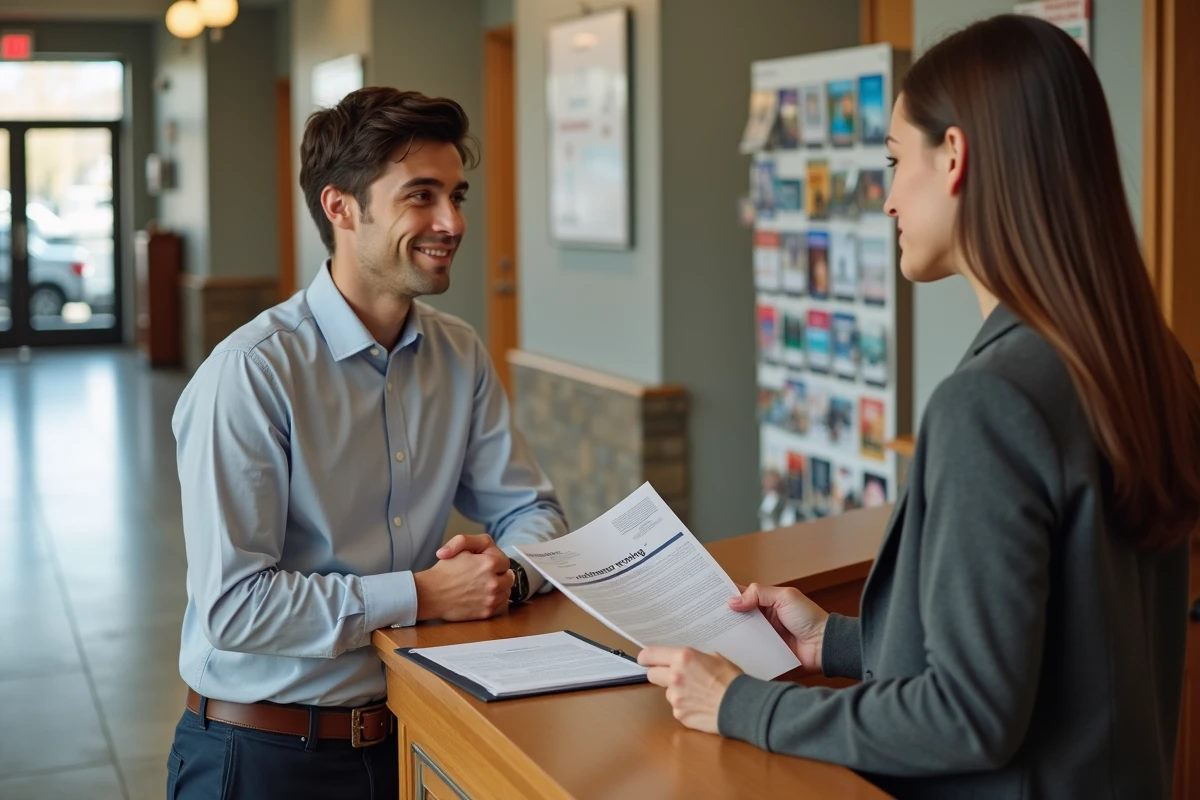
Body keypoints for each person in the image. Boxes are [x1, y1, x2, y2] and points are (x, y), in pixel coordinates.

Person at [639, 15, 1200, 799]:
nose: (888, 198)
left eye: (897, 160)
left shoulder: (992, 403)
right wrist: (830, 643)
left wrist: (741, 703)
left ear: (957, 156)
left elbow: (966, 715)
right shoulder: (1153, 364)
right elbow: (1048, 650)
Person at [166, 88, 568, 799]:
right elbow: (233, 607)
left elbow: (532, 509)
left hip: (408, 738)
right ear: (341, 207)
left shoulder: (460, 353)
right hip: (261, 754)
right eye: (421, 196)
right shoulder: (251, 374)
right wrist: (420, 594)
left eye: (457, 194)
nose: (453, 221)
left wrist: (506, 570)